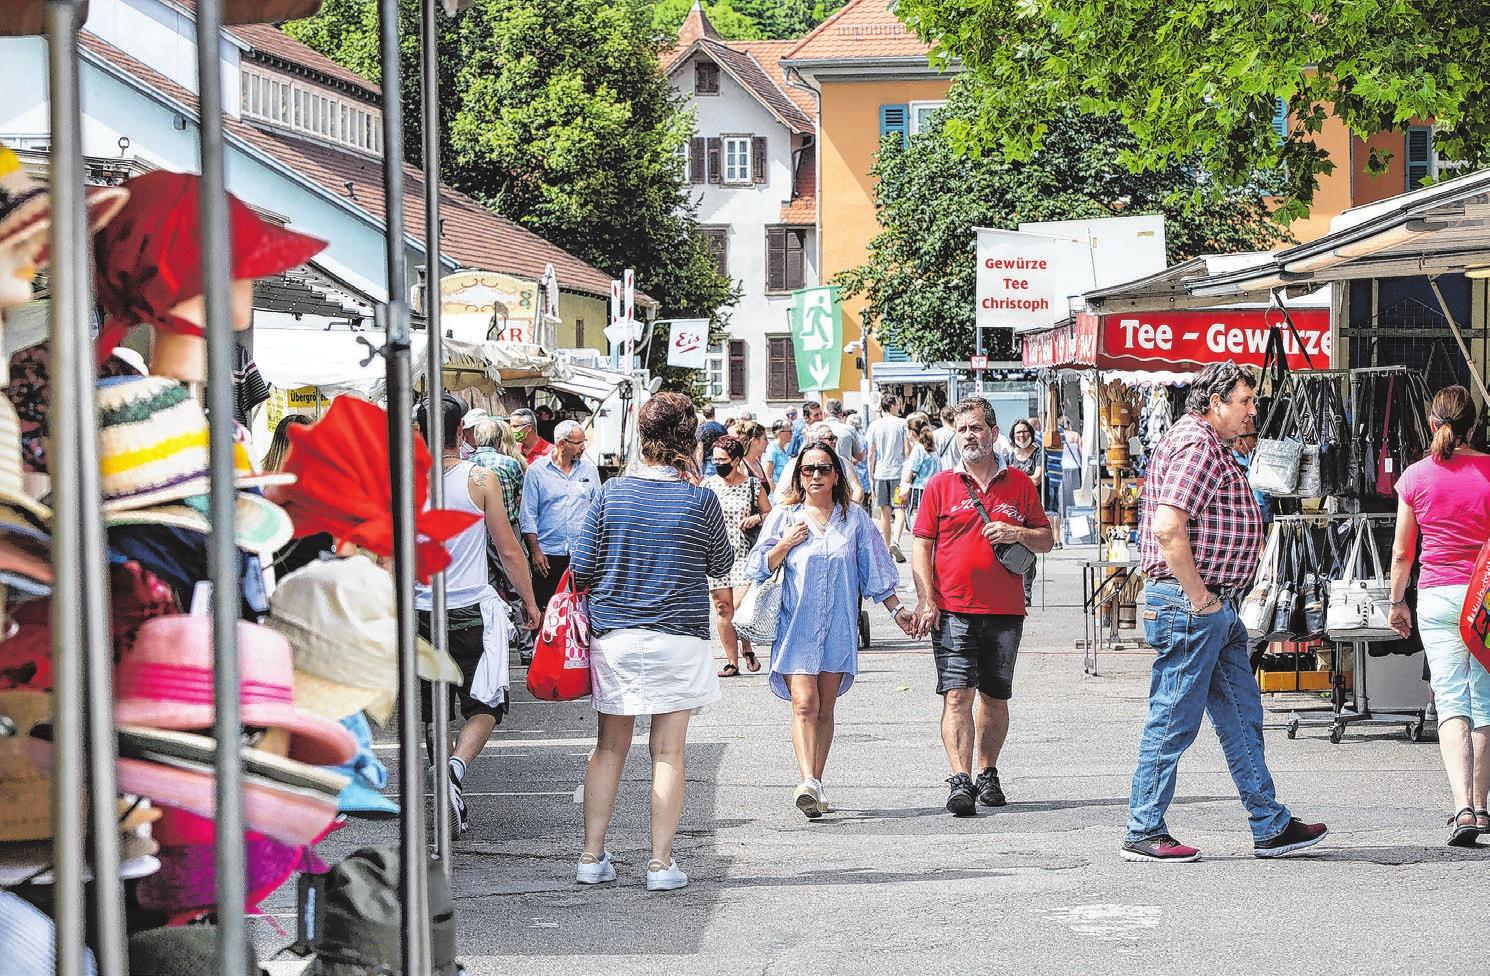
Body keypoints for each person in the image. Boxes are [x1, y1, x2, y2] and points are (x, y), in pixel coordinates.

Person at [1124, 361, 1327, 862]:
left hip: (1213, 605)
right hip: (1192, 602)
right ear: (1215, 403)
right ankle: (1143, 829)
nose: (1252, 411)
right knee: (1173, 718)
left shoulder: (1209, 444)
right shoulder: (1197, 443)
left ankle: (1269, 823)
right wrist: (1199, 597)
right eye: (1245, 402)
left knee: (1241, 715)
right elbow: (1170, 527)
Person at [571, 393, 735, 892]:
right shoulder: (700, 499)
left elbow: (580, 566)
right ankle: (661, 865)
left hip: (617, 634)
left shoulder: (611, 493)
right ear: (689, 441)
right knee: (668, 752)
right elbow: (722, 564)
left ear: (641, 437)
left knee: (608, 748)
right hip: (678, 636)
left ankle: (591, 856)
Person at [747, 440, 915, 818]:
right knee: (804, 704)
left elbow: (875, 572)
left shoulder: (854, 519)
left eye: (824, 468)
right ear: (799, 476)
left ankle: (816, 783)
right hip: (797, 624)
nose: (817, 476)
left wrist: (898, 611)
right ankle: (806, 779)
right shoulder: (785, 515)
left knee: (825, 708)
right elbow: (757, 566)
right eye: (809, 469)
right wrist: (785, 544)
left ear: (836, 474)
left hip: (838, 626)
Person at [911, 397, 1053, 816]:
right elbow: (922, 545)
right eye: (962, 429)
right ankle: (960, 779)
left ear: (993, 432)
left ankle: (987, 772)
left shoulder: (1020, 485)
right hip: (953, 608)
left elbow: (1046, 540)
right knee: (957, 695)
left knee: (994, 698)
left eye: (976, 427)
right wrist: (926, 597)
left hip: (1005, 609)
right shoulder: (940, 485)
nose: (969, 435)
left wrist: (1016, 532)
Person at [415, 394, 540, 837]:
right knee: (485, 704)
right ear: (460, 433)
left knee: (431, 709)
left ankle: (446, 783)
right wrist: (529, 602)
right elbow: (508, 550)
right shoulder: (480, 478)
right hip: (471, 608)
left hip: (418, 610)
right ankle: (456, 768)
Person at [1389, 385, 1490, 846]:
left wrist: (1396, 601)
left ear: (1432, 424)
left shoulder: (1414, 477)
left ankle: (1462, 809)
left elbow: (1402, 553)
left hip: (1435, 595)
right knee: (1486, 701)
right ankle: (1484, 807)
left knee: (1451, 701)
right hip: (1485, 596)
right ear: (1474, 426)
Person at [519, 419, 601, 623]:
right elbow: (528, 515)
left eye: (584, 442)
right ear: (562, 443)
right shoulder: (537, 471)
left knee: (581, 612)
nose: (583, 447)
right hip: (548, 554)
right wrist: (535, 551)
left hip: (582, 552)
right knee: (546, 610)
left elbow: (599, 510)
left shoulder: (589, 470)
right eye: (578, 443)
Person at [704, 434, 772, 678]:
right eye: (714, 460)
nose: (717, 464)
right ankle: (732, 661)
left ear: (736, 460)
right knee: (723, 609)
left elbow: (769, 514)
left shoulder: (752, 486)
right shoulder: (708, 485)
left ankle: (746, 645)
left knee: (740, 607)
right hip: (716, 557)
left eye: (722, 459)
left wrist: (757, 517)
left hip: (744, 553)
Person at [1007, 419, 1044, 606]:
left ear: (1030, 432)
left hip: (1032, 508)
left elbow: (1037, 479)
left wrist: (1017, 481)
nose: (1022, 435)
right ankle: (1013, 590)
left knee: (1029, 549)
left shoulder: (1038, 453)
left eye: (1025, 432)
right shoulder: (1009, 456)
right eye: (1018, 433)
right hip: (1012, 508)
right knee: (1012, 548)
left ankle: (1026, 591)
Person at [867, 393, 908, 558]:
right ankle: (895, 541)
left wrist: (871, 474)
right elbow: (907, 449)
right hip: (898, 472)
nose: (898, 408)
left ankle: (886, 546)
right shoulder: (902, 423)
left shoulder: (874, 425)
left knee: (884, 510)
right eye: (897, 405)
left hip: (881, 473)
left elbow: (871, 453)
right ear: (892, 405)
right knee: (900, 508)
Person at [893, 420, 940, 556]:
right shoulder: (933, 450)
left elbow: (910, 473)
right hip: (932, 490)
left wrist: (906, 484)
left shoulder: (918, 449)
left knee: (916, 524)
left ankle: (918, 554)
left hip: (918, 490)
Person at [824, 397, 868, 477]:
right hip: (843, 474)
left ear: (824, 414)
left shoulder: (814, 428)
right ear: (841, 413)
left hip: (821, 475)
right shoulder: (849, 429)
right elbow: (860, 456)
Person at [736, 420, 773, 494]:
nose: (768, 442)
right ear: (754, 440)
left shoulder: (757, 463)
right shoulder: (741, 465)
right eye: (765, 439)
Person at [696, 403, 728, 477]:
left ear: (704, 414)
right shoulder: (722, 428)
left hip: (708, 464)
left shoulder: (701, 429)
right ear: (714, 413)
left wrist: (698, 468)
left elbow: (700, 450)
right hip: (722, 461)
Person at [764, 419, 793, 486]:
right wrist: (775, 494)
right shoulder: (772, 450)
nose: (792, 433)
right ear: (780, 433)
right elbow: (767, 476)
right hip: (775, 493)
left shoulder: (785, 451)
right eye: (790, 431)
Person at [933, 405, 961, 469]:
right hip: (958, 469)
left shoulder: (935, 434)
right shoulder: (960, 434)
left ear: (941, 418)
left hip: (941, 470)